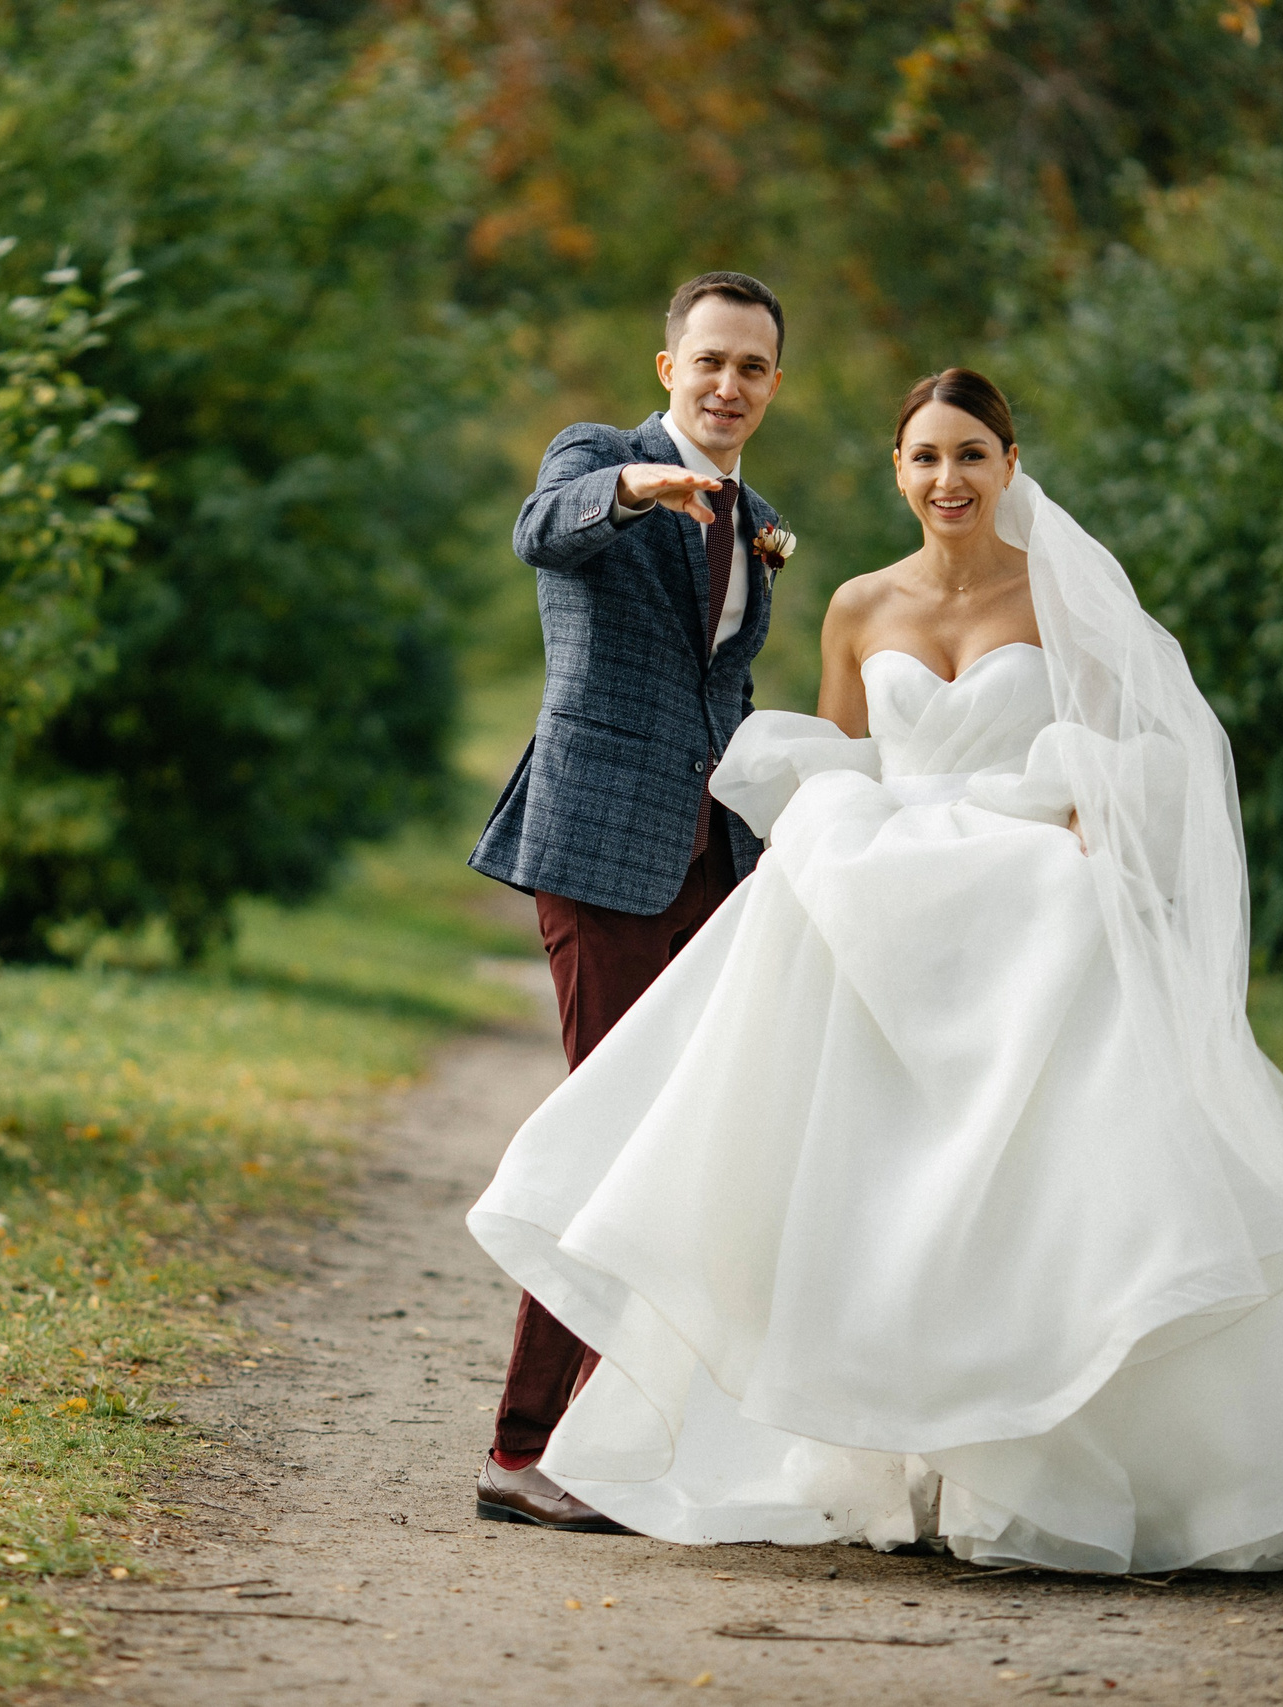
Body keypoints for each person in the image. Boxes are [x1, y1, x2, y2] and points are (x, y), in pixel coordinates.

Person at [465, 369, 1283, 1571]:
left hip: (1023, 897)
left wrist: (1090, 814)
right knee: (862, 1177)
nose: (948, 479)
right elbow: (842, 763)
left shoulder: (1061, 599)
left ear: (1007, 465)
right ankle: (890, 1464)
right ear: (897, 471)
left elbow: (1142, 748)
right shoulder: (851, 603)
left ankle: (1068, 1454)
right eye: (926, 457)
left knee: (1042, 1173)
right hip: (889, 896)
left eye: (971, 455)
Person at [467, 272, 792, 1532]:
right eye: (708, 360)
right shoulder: (596, 459)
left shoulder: (756, 517)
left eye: (752, 369)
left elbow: (724, 696)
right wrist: (635, 488)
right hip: (600, 849)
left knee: (683, 1150)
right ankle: (522, 1452)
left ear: (773, 385)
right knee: (608, 1143)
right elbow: (541, 529)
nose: (727, 386)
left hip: (713, 864)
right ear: (667, 368)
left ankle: (614, 1437)